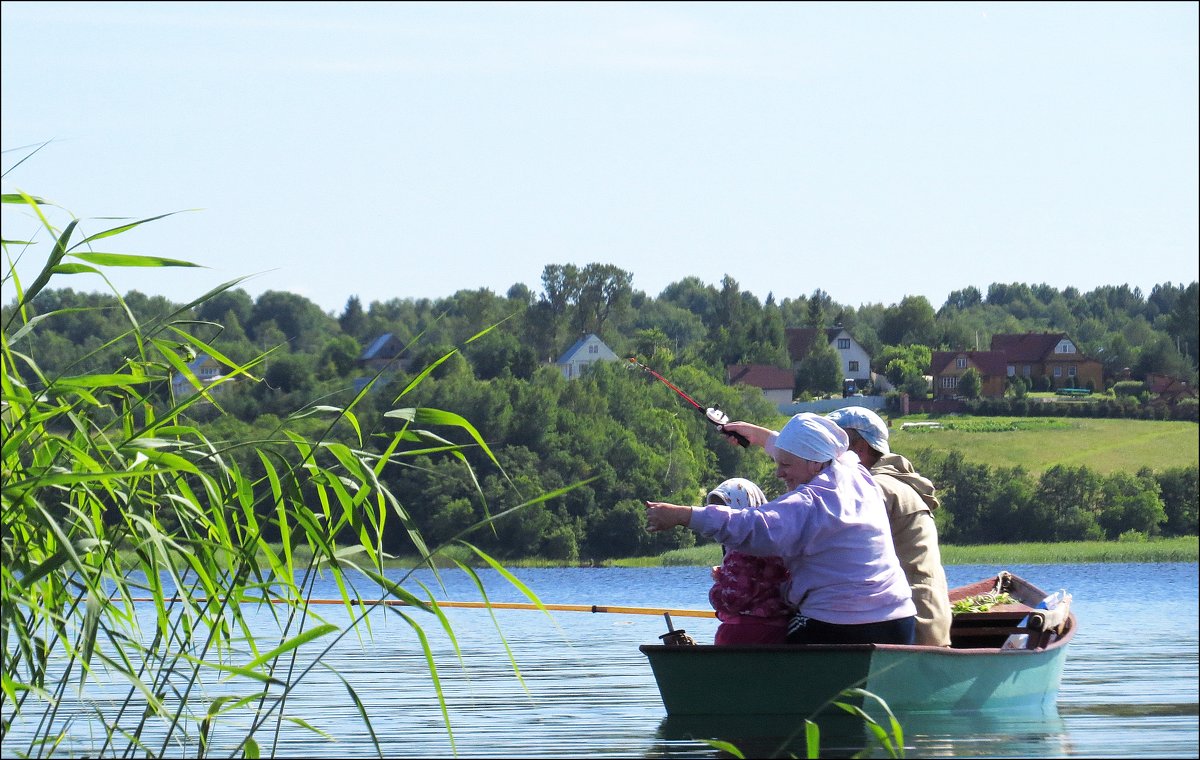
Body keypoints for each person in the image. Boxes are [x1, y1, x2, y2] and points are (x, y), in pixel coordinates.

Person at [645, 413, 917, 646]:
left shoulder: (809, 503)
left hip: (841, 626)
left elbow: (752, 527)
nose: (778, 473)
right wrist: (757, 435)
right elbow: (803, 447)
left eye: (785, 465)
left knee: (761, 634)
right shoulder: (854, 473)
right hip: (899, 621)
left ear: (813, 463)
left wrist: (684, 515)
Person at [826, 407, 952, 647]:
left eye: (829, 446)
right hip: (924, 622)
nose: (820, 456)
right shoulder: (891, 484)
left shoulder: (875, 489)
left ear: (859, 449)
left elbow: (829, 539)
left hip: (908, 628)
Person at [705, 478, 790, 645]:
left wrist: (719, 584)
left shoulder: (740, 551)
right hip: (778, 631)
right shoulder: (779, 543)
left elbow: (733, 598)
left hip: (741, 633)